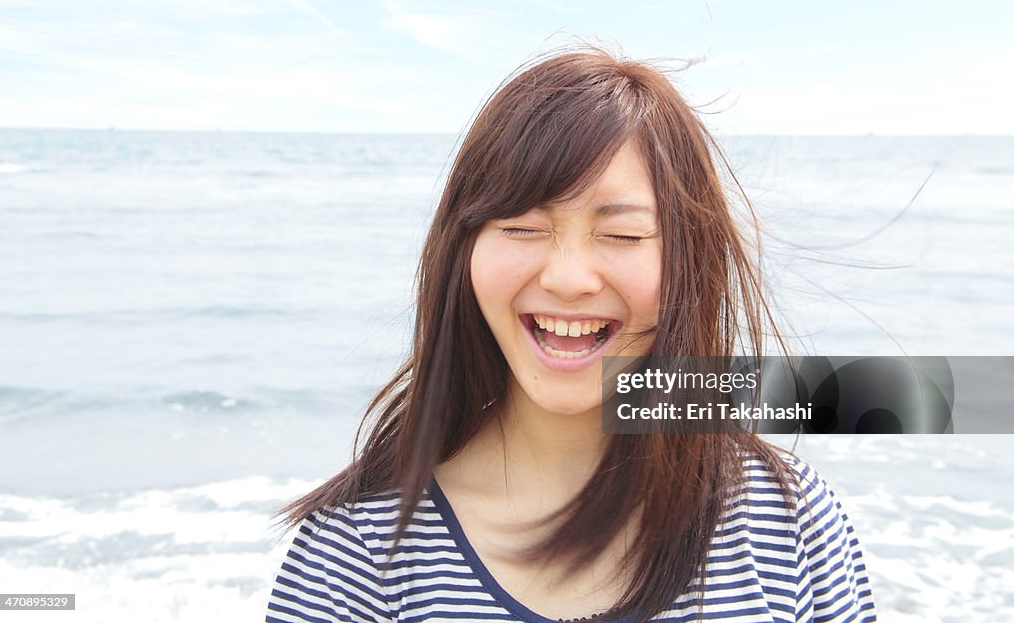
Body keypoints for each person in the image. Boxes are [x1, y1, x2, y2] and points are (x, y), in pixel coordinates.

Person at [266, 47, 877, 622]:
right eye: (524, 227)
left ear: (691, 261)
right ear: (463, 251)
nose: (567, 278)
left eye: (624, 235)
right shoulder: (356, 554)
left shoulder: (788, 520)